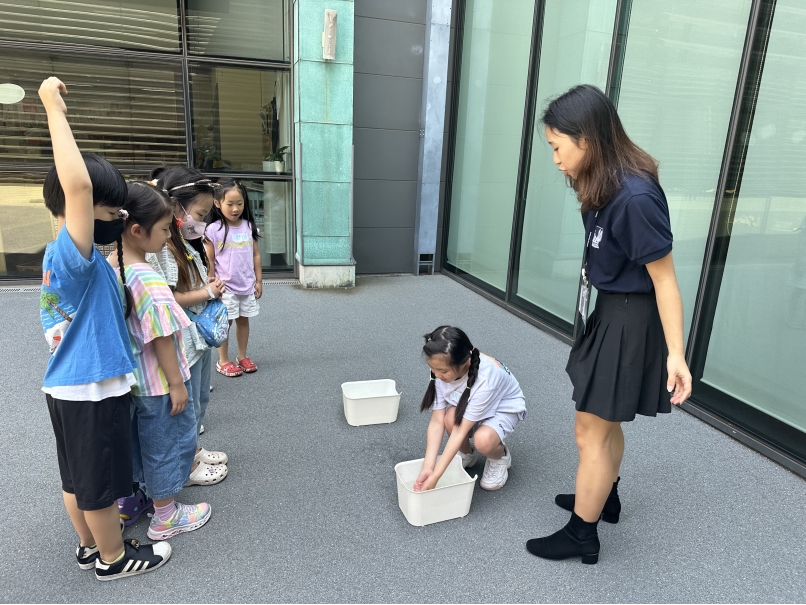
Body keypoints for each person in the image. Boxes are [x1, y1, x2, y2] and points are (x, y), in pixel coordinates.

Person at [525, 85, 692, 564]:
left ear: (588, 139)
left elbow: (665, 281)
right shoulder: (603, 182)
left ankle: (582, 532)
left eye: (558, 147)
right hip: (615, 311)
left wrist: (676, 354)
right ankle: (605, 497)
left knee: (589, 432)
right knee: (604, 421)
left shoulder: (634, 196)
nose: (555, 158)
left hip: (631, 320)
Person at [37, 76, 171, 580]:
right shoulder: (75, 255)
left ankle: (91, 546)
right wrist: (54, 107)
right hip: (90, 388)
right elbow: (78, 185)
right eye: (110, 210)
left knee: (76, 479)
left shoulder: (68, 257)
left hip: (70, 385)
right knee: (96, 484)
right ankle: (114, 559)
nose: (117, 217)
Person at [108, 181, 213, 541]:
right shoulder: (148, 278)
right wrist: (177, 384)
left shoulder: (114, 268)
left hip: (135, 381)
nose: (170, 235)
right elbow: (163, 336)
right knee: (166, 444)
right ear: (137, 230)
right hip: (160, 384)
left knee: (140, 443)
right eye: (166, 228)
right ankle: (166, 515)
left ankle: (137, 498)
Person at [144, 166, 229, 485]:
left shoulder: (183, 241)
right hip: (181, 343)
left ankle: (192, 451)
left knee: (200, 401)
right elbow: (165, 298)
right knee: (187, 406)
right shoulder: (164, 248)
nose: (204, 221)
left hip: (197, 342)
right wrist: (206, 292)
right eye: (201, 213)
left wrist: (206, 283)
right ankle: (187, 466)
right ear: (177, 207)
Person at [414, 326, 527, 492]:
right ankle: (467, 454)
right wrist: (428, 467)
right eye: (433, 369)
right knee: (449, 420)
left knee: (484, 440)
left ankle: (500, 458)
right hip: (470, 399)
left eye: (443, 371)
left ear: (464, 363)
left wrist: (436, 477)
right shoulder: (440, 367)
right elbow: (437, 422)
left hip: (503, 406)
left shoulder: (486, 380)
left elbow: (460, 431)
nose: (437, 375)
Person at [205, 179, 263, 377]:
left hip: (246, 284)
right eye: (230, 204)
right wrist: (211, 281)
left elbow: (256, 254)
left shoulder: (249, 227)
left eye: (240, 203)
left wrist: (259, 280)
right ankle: (223, 360)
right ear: (217, 203)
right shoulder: (213, 229)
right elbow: (210, 259)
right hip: (225, 287)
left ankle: (242, 356)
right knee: (225, 323)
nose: (235, 208)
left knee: (243, 321)